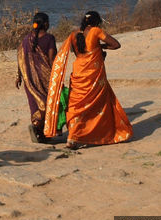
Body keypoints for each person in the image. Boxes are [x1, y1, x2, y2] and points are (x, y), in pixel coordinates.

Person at [43, 10, 133, 148]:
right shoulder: (96, 31)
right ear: (96, 22)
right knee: (98, 104)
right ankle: (98, 134)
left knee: (75, 106)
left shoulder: (73, 35)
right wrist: (100, 47)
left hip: (78, 73)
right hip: (93, 76)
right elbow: (116, 44)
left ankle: (73, 137)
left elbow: (75, 51)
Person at [15, 11, 57, 143]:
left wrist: (19, 76)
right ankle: (38, 128)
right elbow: (52, 60)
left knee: (35, 105)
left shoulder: (26, 39)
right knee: (48, 103)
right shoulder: (49, 38)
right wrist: (57, 75)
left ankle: (38, 129)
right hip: (46, 78)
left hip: (29, 80)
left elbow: (21, 59)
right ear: (45, 24)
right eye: (48, 22)